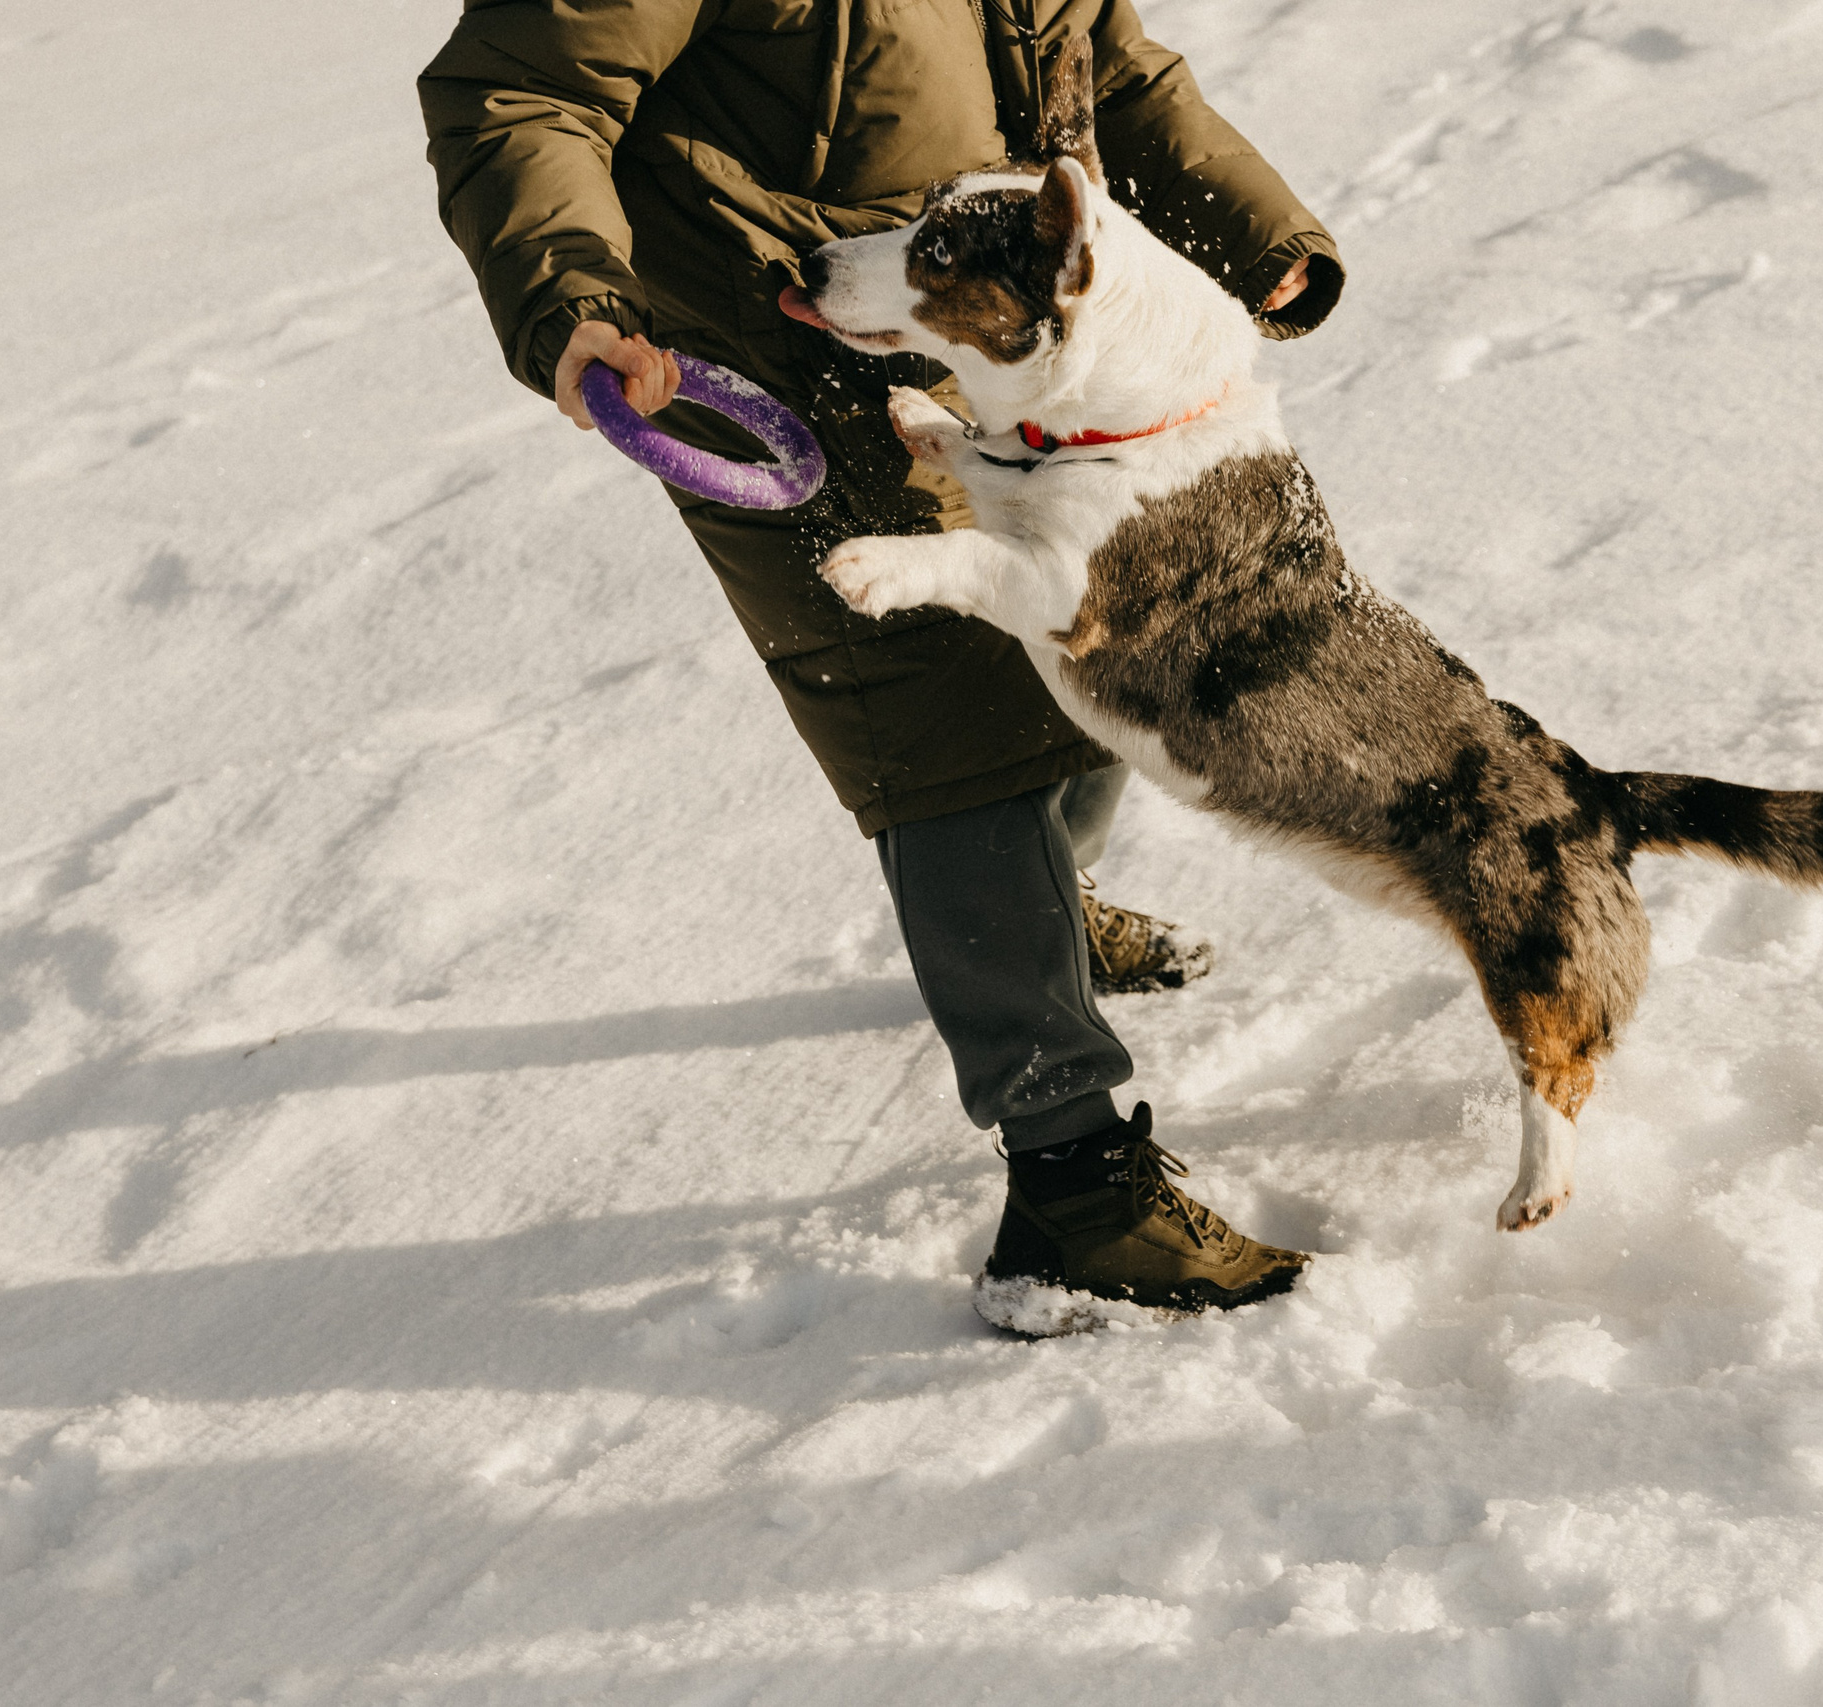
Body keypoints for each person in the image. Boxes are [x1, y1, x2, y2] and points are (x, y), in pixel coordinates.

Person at [418, 0, 1344, 1317]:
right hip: (765, 350)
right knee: (947, 734)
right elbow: (517, 97)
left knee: (1083, 648)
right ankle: (1073, 1196)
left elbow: (1100, 59)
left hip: (967, 324)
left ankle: (1043, 904)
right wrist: (574, 297)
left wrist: (1261, 234)